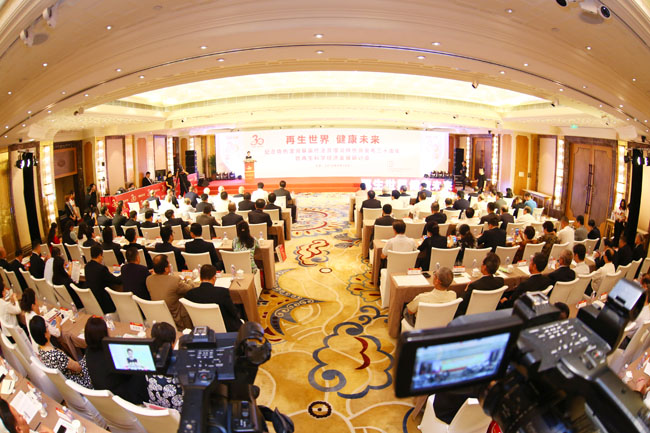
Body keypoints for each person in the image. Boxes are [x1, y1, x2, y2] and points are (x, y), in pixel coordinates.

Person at [84, 317, 147, 403]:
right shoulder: (111, 353)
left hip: (104, 395)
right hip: (121, 396)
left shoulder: (88, 351)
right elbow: (128, 373)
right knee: (142, 369)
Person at [30, 315, 92, 387]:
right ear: (45, 334)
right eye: (47, 326)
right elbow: (78, 368)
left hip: (68, 380)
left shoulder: (40, 349)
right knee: (91, 349)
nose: (48, 328)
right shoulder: (56, 355)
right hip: (79, 381)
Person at [185, 264, 242, 332]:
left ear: (200, 278)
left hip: (201, 329)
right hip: (226, 329)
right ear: (214, 278)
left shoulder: (190, 294)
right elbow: (234, 312)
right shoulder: (222, 292)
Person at [146, 254, 193, 330]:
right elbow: (190, 288)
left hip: (159, 318)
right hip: (177, 319)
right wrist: (188, 279)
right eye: (169, 264)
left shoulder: (148, 279)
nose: (170, 265)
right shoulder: (175, 280)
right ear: (166, 269)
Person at [146, 322, 183, 410]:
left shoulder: (147, 361)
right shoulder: (181, 363)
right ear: (172, 343)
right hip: (179, 413)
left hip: (155, 411)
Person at [84, 245, 121, 314]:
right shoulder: (102, 269)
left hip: (92, 300)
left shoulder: (87, 266)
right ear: (99, 255)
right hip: (103, 302)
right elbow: (116, 281)